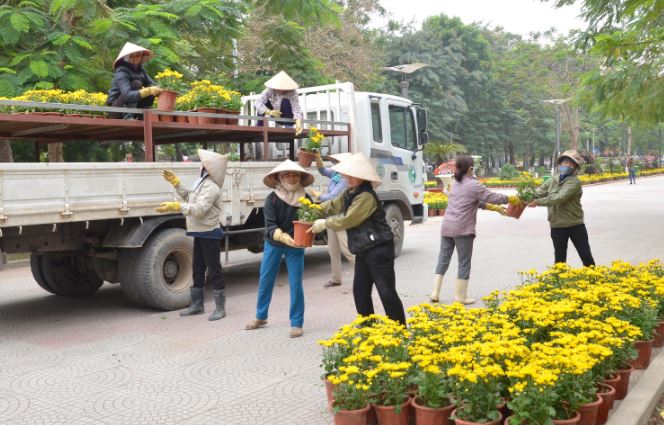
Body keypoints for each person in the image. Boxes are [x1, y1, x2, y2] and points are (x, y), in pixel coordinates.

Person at [307, 152, 406, 325]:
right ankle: (368, 330)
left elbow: (350, 219)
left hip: (379, 249)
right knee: (360, 291)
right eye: (347, 175)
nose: (349, 178)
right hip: (363, 248)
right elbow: (333, 205)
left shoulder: (366, 196)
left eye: (353, 175)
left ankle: (399, 330)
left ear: (362, 176)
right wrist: (311, 210)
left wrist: (326, 223)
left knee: (386, 291)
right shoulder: (350, 192)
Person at [429, 155, 517, 305]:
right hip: (463, 229)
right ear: (470, 168)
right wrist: (509, 199)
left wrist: (495, 209)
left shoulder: (454, 183)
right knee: (464, 262)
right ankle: (460, 297)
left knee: (443, 258)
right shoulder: (474, 184)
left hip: (447, 227)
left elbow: (474, 201)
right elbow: (491, 196)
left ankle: (435, 293)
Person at [155, 149, 228, 321]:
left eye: (203, 164)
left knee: (214, 269)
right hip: (199, 231)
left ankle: (220, 308)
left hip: (209, 232)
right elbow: (190, 197)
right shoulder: (202, 182)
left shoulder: (211, 187)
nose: (200, 165)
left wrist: (177, 207)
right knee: (198, 269)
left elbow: (199, 210)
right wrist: (177, 183)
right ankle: (197, 305)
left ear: (209, 168)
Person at [245, 160, 314, 338]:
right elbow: (269, 225)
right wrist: (281, 236)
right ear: (279, 178)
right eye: (287, 175)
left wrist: (311, 226)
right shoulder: (272, 198)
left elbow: (310, 220)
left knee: (296, 284)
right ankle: (260, 317)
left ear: (300, 177)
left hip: (296, 246)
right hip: (274, 243)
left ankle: (297, 322)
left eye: (295, 175)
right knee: (265, 280)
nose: (291, 178)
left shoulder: (306, 199)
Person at [527, 150, 595, 267]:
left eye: (571, 163)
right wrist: (524, 197)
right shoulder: (553, 179)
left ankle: (594, 281)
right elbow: (539, 192)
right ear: (560, 164)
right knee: (559, 259)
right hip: (557, 225)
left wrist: (537, 202)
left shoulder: (574, 182)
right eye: (565, 162)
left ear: (575, 167)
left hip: (575, 224)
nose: (567, 165)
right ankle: (559, 282)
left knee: (586, 256)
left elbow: (560, 197)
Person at [308, 152, 355, 288]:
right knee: (333, 249)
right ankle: (336, 278)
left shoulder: (345, 179)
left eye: (337, 162)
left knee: (347, 250)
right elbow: (322, 170)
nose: (335, 164)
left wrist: (319, 195)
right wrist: (317, 157)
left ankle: (363, 278)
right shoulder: (336, 175)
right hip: (331, 216)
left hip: (341, 217)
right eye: (335, 162)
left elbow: (332, 197)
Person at [106, 42, 162, 119]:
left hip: (135, 107)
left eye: (138, 55)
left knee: (152, 89)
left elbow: (152, 85)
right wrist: (147, 91)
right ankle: (128, 117)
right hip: (116, 110)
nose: (136, 58)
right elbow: (127, 95)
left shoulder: (141, 71)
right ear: (127, 57)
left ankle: (143, 117)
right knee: (137, 84)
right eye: (132, 55)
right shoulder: (121, 71)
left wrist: (157, 90)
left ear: (142, 56)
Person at [255, 71, 304, 136]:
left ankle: (289, 127)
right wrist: (269, 112)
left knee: (285, 101)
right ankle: (259, 126)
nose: (280, 90)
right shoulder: (270, 89)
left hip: (288, 117)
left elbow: (296, 108)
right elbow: (257, 102)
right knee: (263, 103)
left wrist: (298, 122)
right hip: (276, 114)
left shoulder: (292, 92)